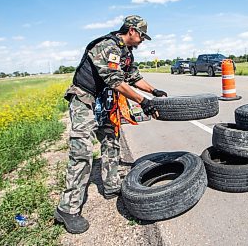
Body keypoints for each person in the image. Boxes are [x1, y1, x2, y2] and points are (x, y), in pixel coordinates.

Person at [55, 15, 167, 234]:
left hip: (103, 102)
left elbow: (133, 77)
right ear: (132, 31)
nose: (143, 40)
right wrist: (143, 102)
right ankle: (66, 209)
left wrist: (153, 91)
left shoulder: (125, 52)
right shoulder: (106, 46)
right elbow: (115, 81)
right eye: (142, 35)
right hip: (84, 100)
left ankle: (111, 186)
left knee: (111, 142)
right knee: (82, 153)